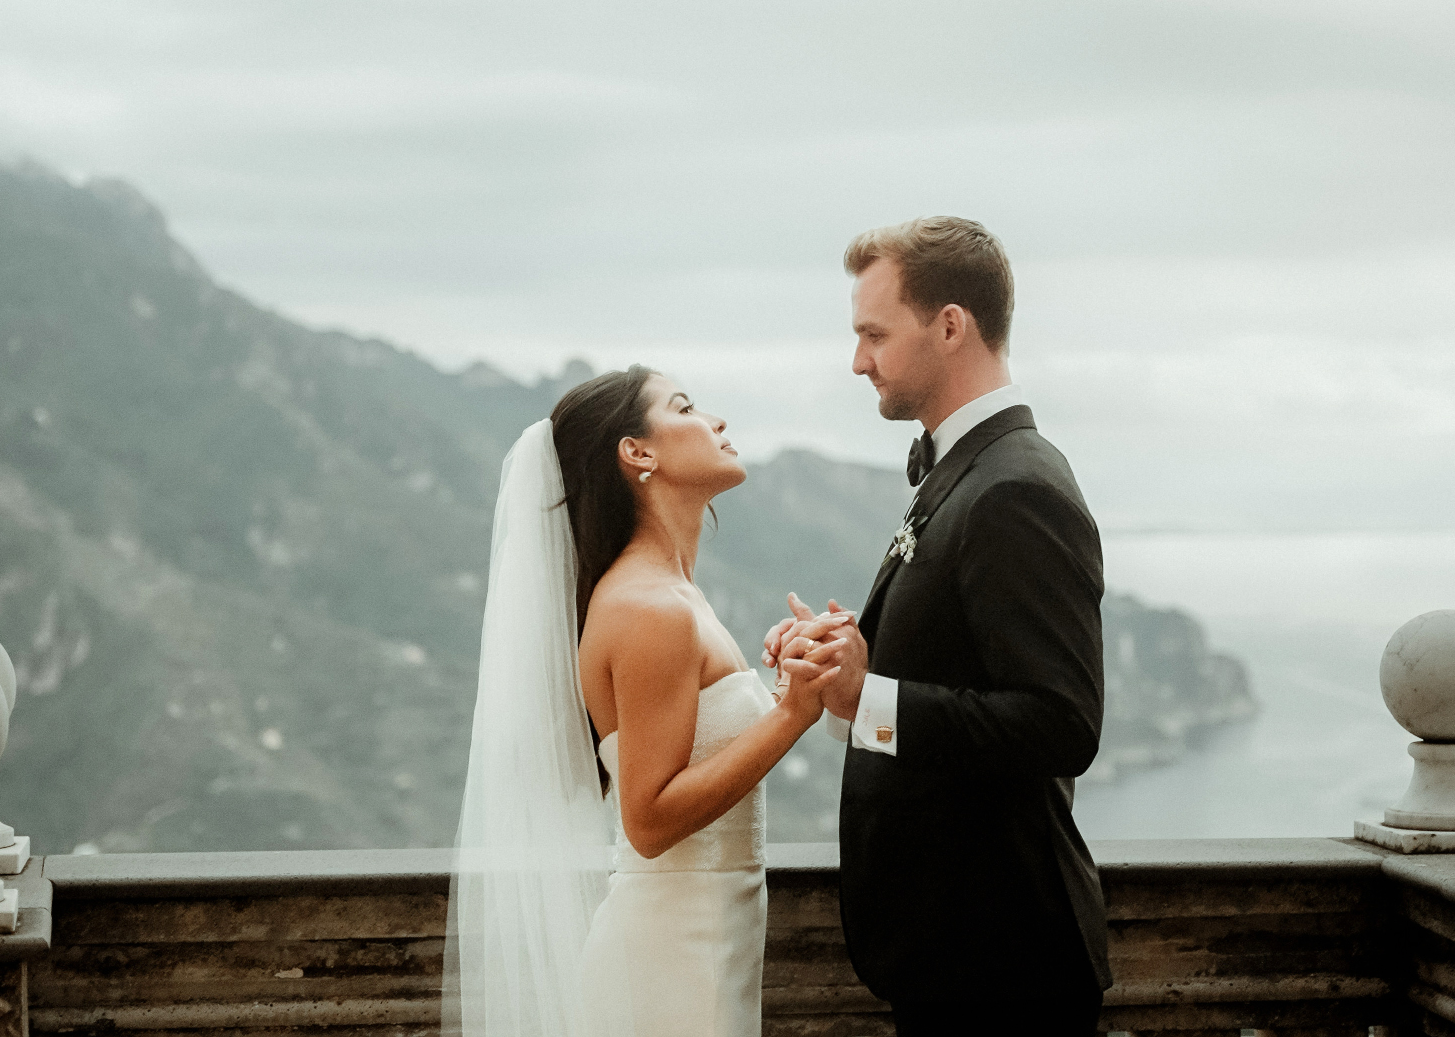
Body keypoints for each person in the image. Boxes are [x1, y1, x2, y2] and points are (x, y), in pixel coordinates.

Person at [765, 216, 1113, 1035]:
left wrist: (868, 696)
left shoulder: (1013, 488)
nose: (859, 361)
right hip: (959, 956)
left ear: (950, 324)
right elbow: (962, 660)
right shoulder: (967, 469)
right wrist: (848, 656)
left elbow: (1062, 722)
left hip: (1004, 967)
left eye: (874, 334)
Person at [444, 365, 849, 1037]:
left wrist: (787, 685)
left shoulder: (670, 593)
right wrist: (789, 715)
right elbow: (650, 818)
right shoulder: (649, 606)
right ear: (637, 451)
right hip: (671, 955)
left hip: (709, 942)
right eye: (687, 406)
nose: (717, 421)